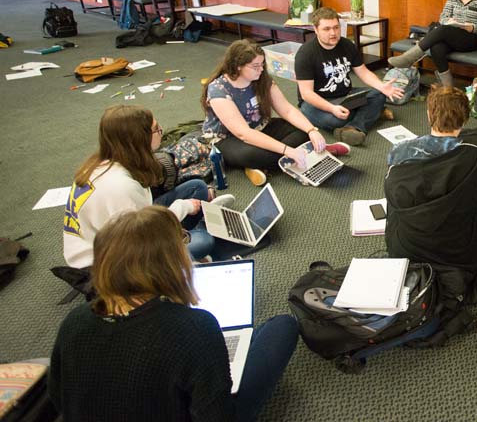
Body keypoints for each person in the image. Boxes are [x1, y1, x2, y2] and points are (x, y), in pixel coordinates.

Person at [50, 206, 299, 422]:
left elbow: (58, 398)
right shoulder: (194, 327)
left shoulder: (75, 320)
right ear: (173, 263)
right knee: (282, 327)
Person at [64, 105, 227, 266]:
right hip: (111, 262)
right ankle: (201, 231)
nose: (161, 131)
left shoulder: (101, 163)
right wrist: (182, 207)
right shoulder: (121, 186)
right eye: (156, 129)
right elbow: (143, 238)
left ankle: (198, 229)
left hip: (118, 234)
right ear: (140, 138)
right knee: (204, 240)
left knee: (196, 187)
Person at [384, 86, 477, 271]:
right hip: (458, 250)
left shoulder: (398, 152)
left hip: (407, 248)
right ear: (465, 119)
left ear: (428, 115)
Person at [202, 39, 345, 187]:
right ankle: (305, 153)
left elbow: (287, 110)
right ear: (238, 67)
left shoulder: (261, 79)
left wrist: (312, 130)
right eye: (255, 66)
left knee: (302, 131)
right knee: (253, 155)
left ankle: (266, 164)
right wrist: (287, 150)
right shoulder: (219, 89)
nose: (261, 69)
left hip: (259, 127)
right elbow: (243, 133)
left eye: (262, 64)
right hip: (228, 138)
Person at [295, 7, 404, 146]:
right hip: (317, 102)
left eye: (336, 27)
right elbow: (306, 94)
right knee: (335, 120)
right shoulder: (305, 54)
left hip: (346, 95)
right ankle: (369, 115)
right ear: (315, 29)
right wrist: (332, 108)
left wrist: (382, 86)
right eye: (326, 29)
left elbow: (363, 72)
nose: (333, 33)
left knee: (378, 94)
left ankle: (353, 127)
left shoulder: (347, 45)